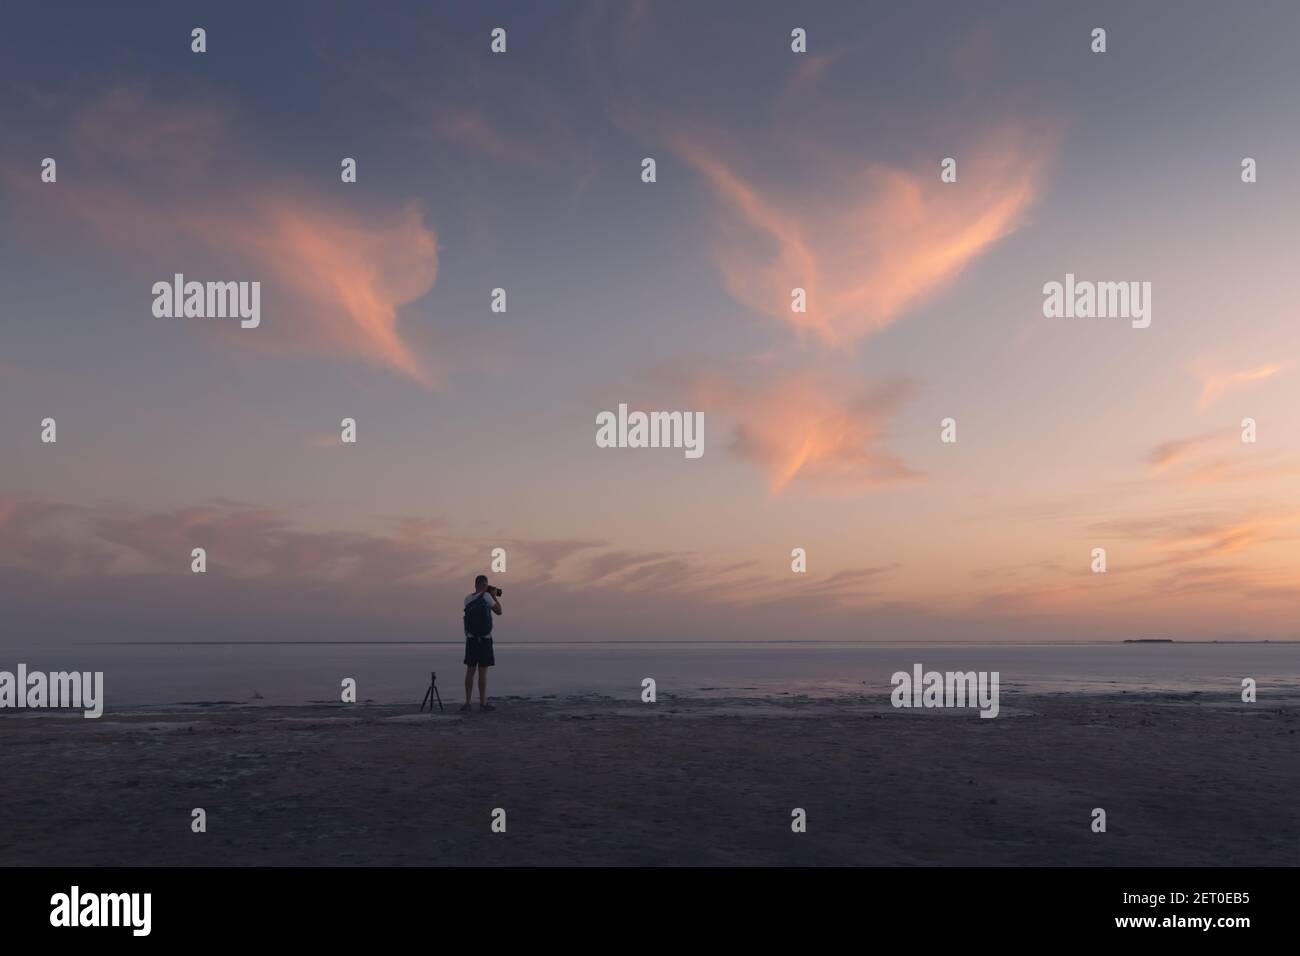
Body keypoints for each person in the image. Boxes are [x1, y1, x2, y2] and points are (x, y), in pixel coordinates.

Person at [462, 575, 502, 712]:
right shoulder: (486, 597)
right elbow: (499, 611)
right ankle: (483, 703)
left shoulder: (467, 599)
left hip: (471, 639)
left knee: (470, 671)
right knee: (482, 672)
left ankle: (467, 702)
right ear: (485, 585)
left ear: (475, 585)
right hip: (484, 639)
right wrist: (494, 596)